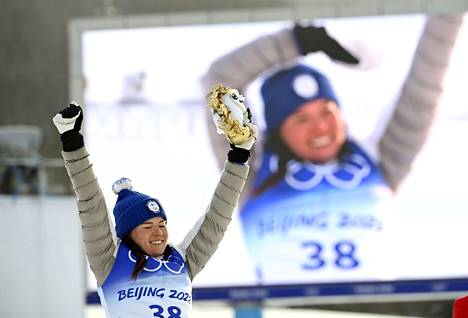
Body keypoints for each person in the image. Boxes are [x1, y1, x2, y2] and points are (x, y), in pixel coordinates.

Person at [201, 15, 463, 283]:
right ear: (278, 131)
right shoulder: (250, 174)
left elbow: (424, 88)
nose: (320, 128)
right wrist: (299, 41)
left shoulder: (381, 161)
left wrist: (449, 12)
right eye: (301, 119)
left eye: (327, 112)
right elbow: (220, 82)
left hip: (376, 310)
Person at [52, 102, 256, 317]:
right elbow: (91, 204)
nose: (159, 232)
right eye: (147, 226)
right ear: (128, 233)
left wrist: (239, 156)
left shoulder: (183, 260)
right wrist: (72, 141)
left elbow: (218, 217)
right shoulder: (110, 259)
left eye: (162, 224)